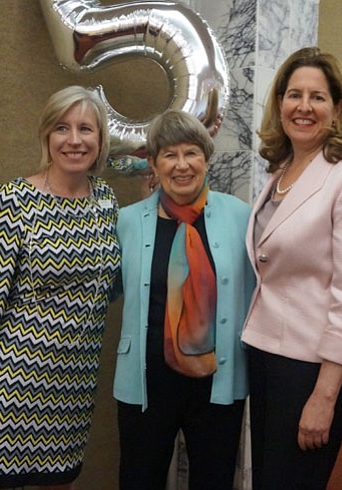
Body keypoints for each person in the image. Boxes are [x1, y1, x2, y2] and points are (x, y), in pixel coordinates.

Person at [0, 85, 121, 490]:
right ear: (46, 136)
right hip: (8, 386)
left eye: (86, 129)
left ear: (100, 139)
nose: (74, 140)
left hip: (72, 389)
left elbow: (108, 287)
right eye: (62, 128)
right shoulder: (13, 200)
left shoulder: (107, 202)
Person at [241, 47, 342, 489]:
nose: (304, 107)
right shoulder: (282, 171)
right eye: (294, 95)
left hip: (312, 368)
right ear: (280, 103)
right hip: (266, 354)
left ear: (338, 108)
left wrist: (325, 396)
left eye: (318, 97)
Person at [113, 109, 255, 490]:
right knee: (139, 480)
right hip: (146, 383)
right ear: (154, 164)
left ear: (206, 159)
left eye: (191, 153)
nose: (181, 165)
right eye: (169, 155)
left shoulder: (241, 217)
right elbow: (105, 289)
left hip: (216, 381)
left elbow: (261, 292)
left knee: (214, 480)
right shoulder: (126, 222)